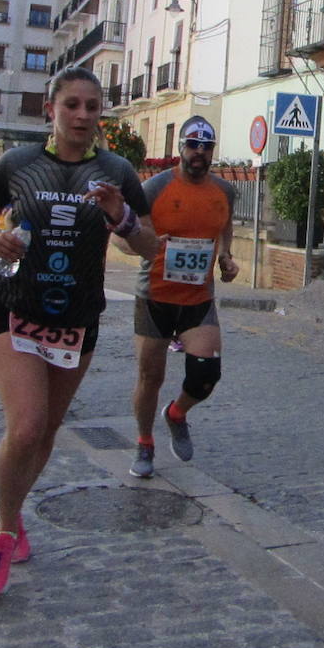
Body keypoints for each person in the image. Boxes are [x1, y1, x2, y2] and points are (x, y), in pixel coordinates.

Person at [0, 66, 156, 595]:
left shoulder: (116, 171)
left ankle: (9, 508)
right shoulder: (18, 163)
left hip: (76, 319)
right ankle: (5, 533)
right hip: (14, 308)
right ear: (50, 109)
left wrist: (122, 218)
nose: (82, 115)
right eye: (71, 104)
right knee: (27, 426)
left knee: (47, 431)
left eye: (92, 107)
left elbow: (149, 246)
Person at [124, 116, 239, 479]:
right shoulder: (154, 188)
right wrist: (142, 245)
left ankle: (176, 414)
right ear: (180, 148)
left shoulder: (225, 191)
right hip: (154, 295)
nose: (199, 152)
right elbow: (121, 235)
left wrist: (226, 256)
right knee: (150, 376)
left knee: (207, 374)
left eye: (206, 147)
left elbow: (225, 225)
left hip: (198, 298)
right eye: (193, 145)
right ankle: (144, 443)